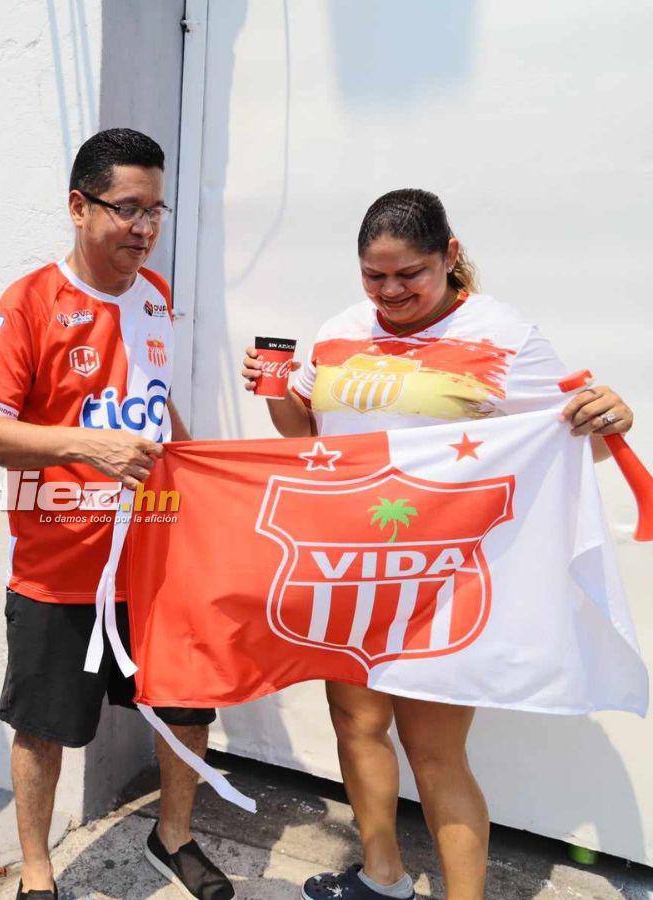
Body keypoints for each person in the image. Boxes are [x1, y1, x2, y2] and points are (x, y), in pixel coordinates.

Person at [241, 188, 636, 900]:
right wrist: (275, 391)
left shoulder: (505, 334)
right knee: (357, 725)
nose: (390, 292)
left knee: (434, 751)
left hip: (447, 579)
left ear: (450, 256)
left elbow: (568, 448)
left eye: (410, 274)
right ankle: (382, 874)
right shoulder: (339, 329)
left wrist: (609, 420)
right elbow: (304, 435)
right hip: (351, 565)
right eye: (374, 275)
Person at [0, 128, 234, 900]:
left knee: (185, 704)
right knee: (44, 728)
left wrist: (193, 466)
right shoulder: (26, 303)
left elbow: (151, 398)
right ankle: (39, 873)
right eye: (128, 209)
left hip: (155, 562)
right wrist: (89, 447)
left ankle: (171, 837)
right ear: (79, 207)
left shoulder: (157, 296)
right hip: (59, 569)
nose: (145, 229)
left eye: (157, 211)